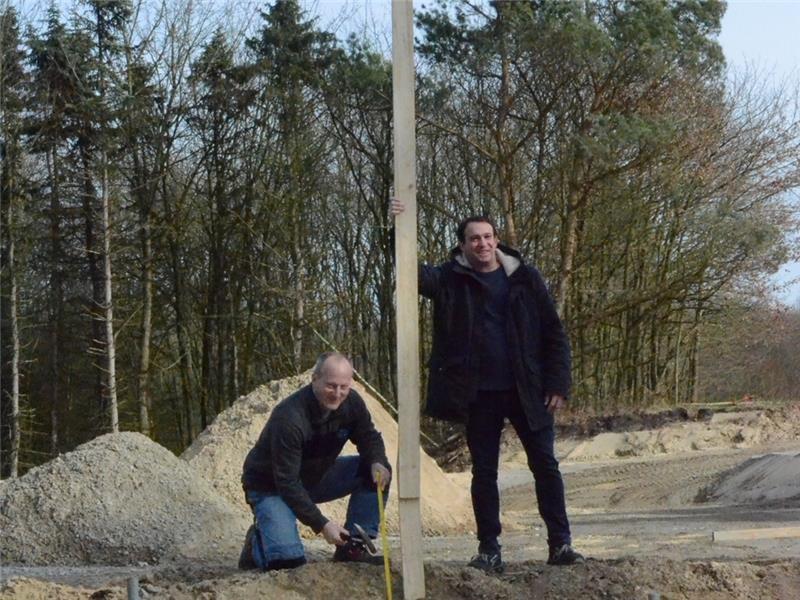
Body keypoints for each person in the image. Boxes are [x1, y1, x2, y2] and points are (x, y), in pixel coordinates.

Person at [391, 200, 584, 572]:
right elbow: (411, 273)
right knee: (484, 472)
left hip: (529, 390)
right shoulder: (450, 278)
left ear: (497, 241)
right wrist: (396, 225)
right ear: (462, 246)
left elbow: (553, 332)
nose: (482, 244)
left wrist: (558, 382)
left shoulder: (526, 278)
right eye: (473, 239)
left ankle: (561, 545)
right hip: (478, 395)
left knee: (545, 466)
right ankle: (489, 549)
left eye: (487, 237)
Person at [239, 352, 392, 571]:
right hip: (271, 487)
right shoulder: (290, 418)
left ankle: (354, 547)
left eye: (344, 387)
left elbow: (369, 437)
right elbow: (287, 483)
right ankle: (257, 543)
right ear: (314, 379)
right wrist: (322, 525)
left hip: (315, 477)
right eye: (331, 386)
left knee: (374, 470)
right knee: (288, 563)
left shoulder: (353, 403)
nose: (338, 394)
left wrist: (377, 461)